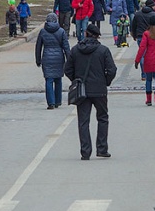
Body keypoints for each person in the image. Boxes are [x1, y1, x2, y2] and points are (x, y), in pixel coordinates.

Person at [64, 23, 117, 159]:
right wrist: (105, 81)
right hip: (99, 90)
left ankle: (85, 152)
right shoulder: (103, 50)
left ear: (86, 33)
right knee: (103, 118)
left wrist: (76, 80)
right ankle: (102, 148)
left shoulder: (76, 50)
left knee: (83, 121)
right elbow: (112, 70)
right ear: (97, 36)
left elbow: (67, 69)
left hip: (82, 91)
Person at [36, 13, 71, 109]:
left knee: (49, 80)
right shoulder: (61, 31)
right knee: (58, 79)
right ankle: (58, 101)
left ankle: (51, 103)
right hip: (59, 57)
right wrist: (70, 60)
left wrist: (38, 60)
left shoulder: (43, 31)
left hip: (47, 57)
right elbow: (66, 47)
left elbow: (38, 47)